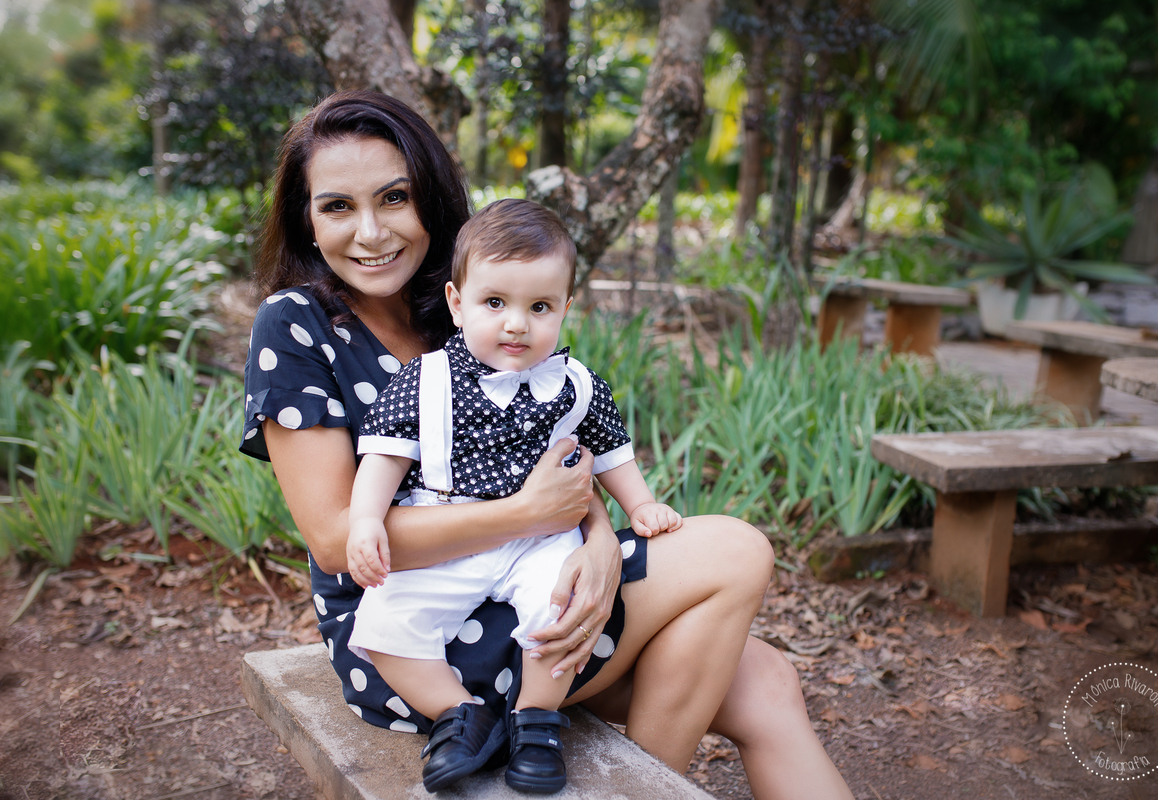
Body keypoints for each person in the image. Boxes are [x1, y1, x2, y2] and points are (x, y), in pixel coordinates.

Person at [240, 89, 854, 800]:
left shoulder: (477, 298)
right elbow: (335, 539)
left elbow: (558, 454)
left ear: (430, 203)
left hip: (527, 578)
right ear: (306, 222)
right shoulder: (296, 325)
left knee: (768, 683)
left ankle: (636, 781)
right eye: (337, 206)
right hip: (413, 631)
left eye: (394, 198)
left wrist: (596, 541)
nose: (372, 231)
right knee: (734, 550)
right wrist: (534, 517)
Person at [346, 198, 683, 793]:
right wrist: (368, 519)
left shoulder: (577, 385)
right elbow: (384, 454)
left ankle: (536, 720)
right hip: (450, 534)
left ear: (565, 310)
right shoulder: (425, 380)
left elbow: (610, 453)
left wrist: (640, 505)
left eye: (539, 307)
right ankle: (460, 714)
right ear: (458, 303)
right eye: (495, 302)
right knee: (382, 623)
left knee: (559, 611)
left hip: (543, 539)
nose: (516, 324)